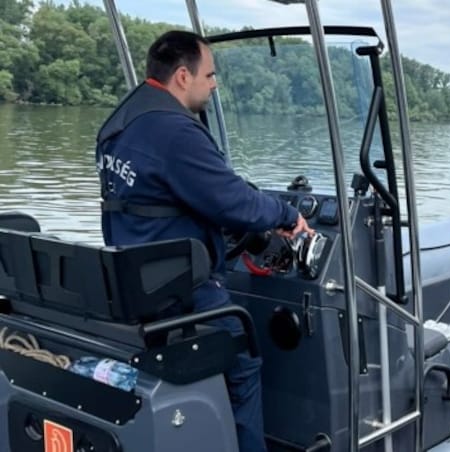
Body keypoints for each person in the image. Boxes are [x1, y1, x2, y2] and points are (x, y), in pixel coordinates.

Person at [95, 30, 313, 452]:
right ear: (182, 76)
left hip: (134, 284)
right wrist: (287, 215)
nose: (214, 84)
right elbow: (234, 202)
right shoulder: (175, 132)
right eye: (209, 75)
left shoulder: (119, 122)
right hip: (180, 290)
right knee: (243, 356)